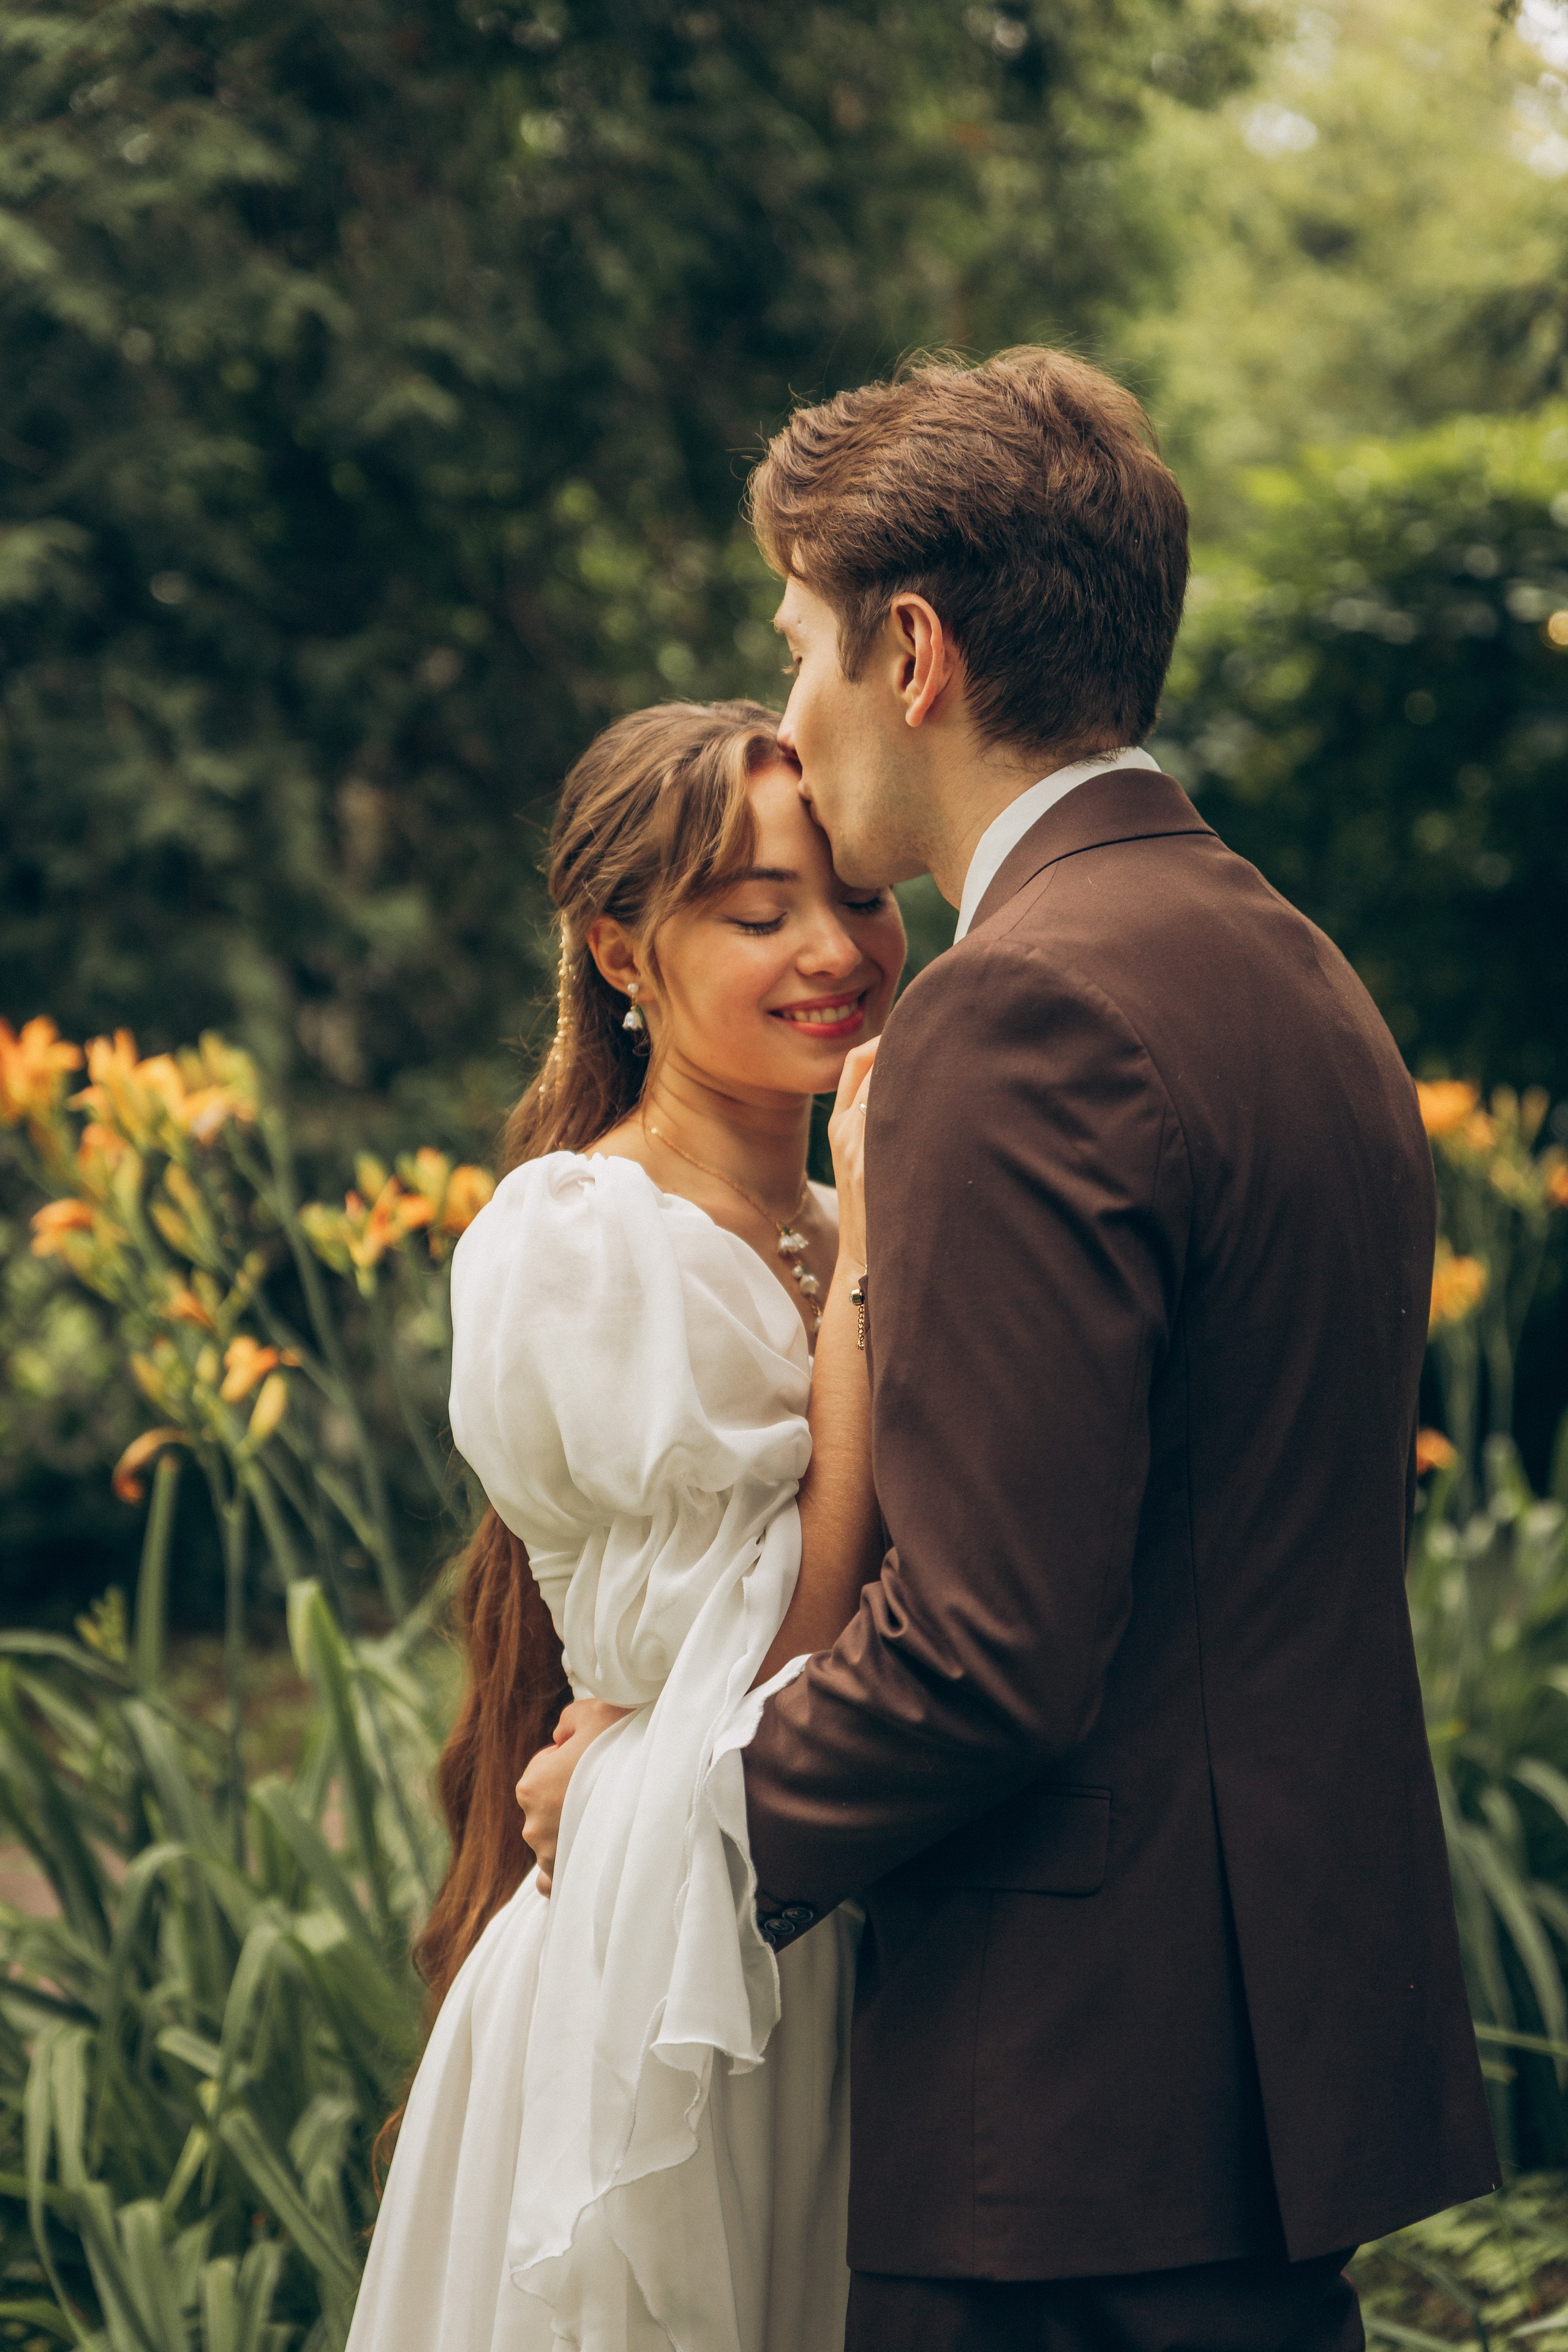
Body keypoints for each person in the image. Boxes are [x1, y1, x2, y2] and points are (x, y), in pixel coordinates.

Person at [521, 349, 1499, 2352]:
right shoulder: (1292, 969)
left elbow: (988, 1655)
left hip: (1060, 2123)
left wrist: (648, 1818)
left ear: (911, 652)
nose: (791, 713)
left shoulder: (1017, 1011)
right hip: (1253, 2081)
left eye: (796, 648)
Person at [345, 699, 905, 2352]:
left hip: (837, 1937)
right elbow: (785, 1648)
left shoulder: (842, 1214)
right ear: (618, 952)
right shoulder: (585, 1240)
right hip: (664, 1985)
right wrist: (877, 1259)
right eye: (758, 914)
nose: (833, 950)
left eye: (856, 894)